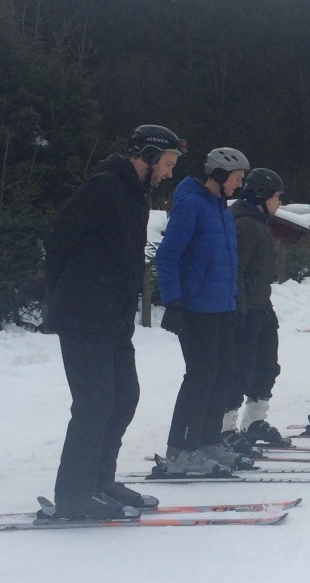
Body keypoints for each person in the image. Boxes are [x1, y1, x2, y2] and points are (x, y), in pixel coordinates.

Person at [41, 124, 184, 520]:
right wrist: (62, 290)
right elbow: (58, 240)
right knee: (94, 403)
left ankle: (100, 482)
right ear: (149, 157)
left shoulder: (135, 195)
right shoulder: (103, 187)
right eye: (168, 163)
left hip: (114, 318)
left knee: (124, 398)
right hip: (84, 315)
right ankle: (74, 494)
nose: (169, 173)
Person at [154, 146, 250, 476]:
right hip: (196, 308)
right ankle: (181, 449)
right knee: (201, 376)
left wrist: (235, 298)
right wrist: (174, 302)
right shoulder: (192, 204)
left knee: (224, 373)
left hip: (221, 307)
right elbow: (168, 256)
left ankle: (207, 440)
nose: (240, 185)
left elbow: (227, 261)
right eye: (236, 178)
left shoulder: (221, 209)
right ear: (219, 175)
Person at [220, 167, 286, 451]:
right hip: (246, 310)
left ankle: (254, 420)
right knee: (241, 368)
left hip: (261, 306)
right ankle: (225, 427)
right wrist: (241, 308)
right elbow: (238, 270)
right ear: (261, 195)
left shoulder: (258, 222)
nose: (280, 202)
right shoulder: (246, 225)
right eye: (277, 196)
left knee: (267, 365)